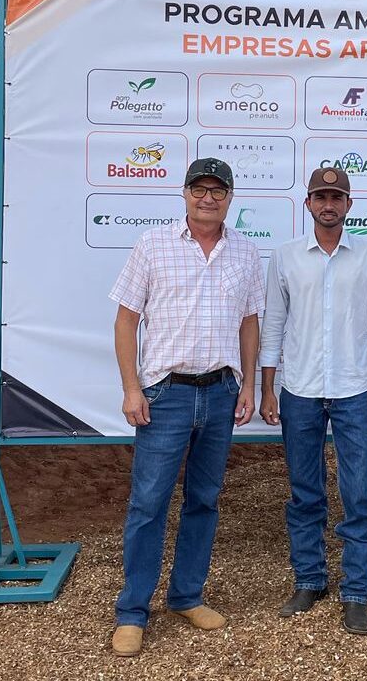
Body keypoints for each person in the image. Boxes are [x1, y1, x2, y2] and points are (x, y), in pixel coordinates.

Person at [108, 157, 263, 657]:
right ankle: (133, 611)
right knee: (148, 503)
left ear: (230, 198)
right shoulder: (153, 245)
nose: (208, 198)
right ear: (185, 193)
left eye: (218, 191)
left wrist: (248, 385)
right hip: (165, 395)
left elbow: (249, 323)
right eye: (200, 189)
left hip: (220, 393)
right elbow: (126, 321)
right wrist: (131, 388)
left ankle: (186, 596)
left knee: (204, 500)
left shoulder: (246, 251)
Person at [259, 166, 367, 635]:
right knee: (304, 492)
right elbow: (273, 325)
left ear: (349, 205)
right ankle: (309, 580)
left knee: (358, 494)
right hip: (299, 390)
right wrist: (267, 388)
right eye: (321, 197)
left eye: (337, 197)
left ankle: (356, 592)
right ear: (308, 204)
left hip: (354, 390)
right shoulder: (286, 257)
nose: (329, 204)